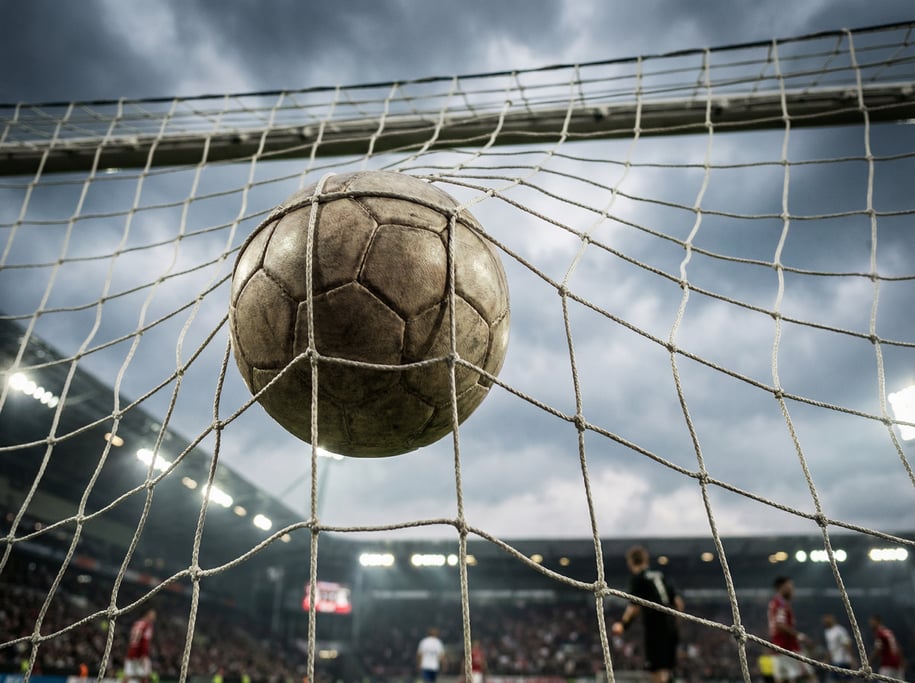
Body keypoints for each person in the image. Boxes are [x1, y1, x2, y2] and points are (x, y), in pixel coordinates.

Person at [611, 545, 684, 683]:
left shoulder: (638, 578)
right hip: (670, 626)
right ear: (645, 560)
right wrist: (675, 624)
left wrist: (623, 625)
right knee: (667, 669)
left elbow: (634, 607)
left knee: (656, 669)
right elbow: (678, 602)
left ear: (631, 562)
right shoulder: (660, 575)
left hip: (655, 626)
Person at [767, 577, 807, 683]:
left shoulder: (774, 602)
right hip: (787, 646)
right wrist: (798, 635)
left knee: (782, 679)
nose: (792, 590)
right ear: (782, 587)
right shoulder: (780, 603)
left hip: (777, 645)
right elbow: (780, 625)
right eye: (790, 586)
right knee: (806, 675)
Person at [124, 608, 156, 683]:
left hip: (131, 653)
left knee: (127, 675)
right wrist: (144, 655)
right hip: (140, 654)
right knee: (145, 676)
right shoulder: (148, 625)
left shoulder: (137, 623)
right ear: (148, 615)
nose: (154, 617)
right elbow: (145, 641)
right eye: (153, 615)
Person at [868, 615, 905, 679]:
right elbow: (898, 647)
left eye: (872, 622)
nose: (870, 624)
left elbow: (877, 649)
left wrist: (868, 662)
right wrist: (902, 661)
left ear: (878, 621)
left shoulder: (879, 632)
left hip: (887, 665)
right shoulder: (888, 632)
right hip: (897, 664)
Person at [821, 614, 856, 678]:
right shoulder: (827, 632)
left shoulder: (840, 630)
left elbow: (847, 644)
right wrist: (826, 659)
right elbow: (830, 648)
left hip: (844, 660)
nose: (825, 621)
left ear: (832, 619)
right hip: (835, 661)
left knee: (846, 680)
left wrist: (852, 659)